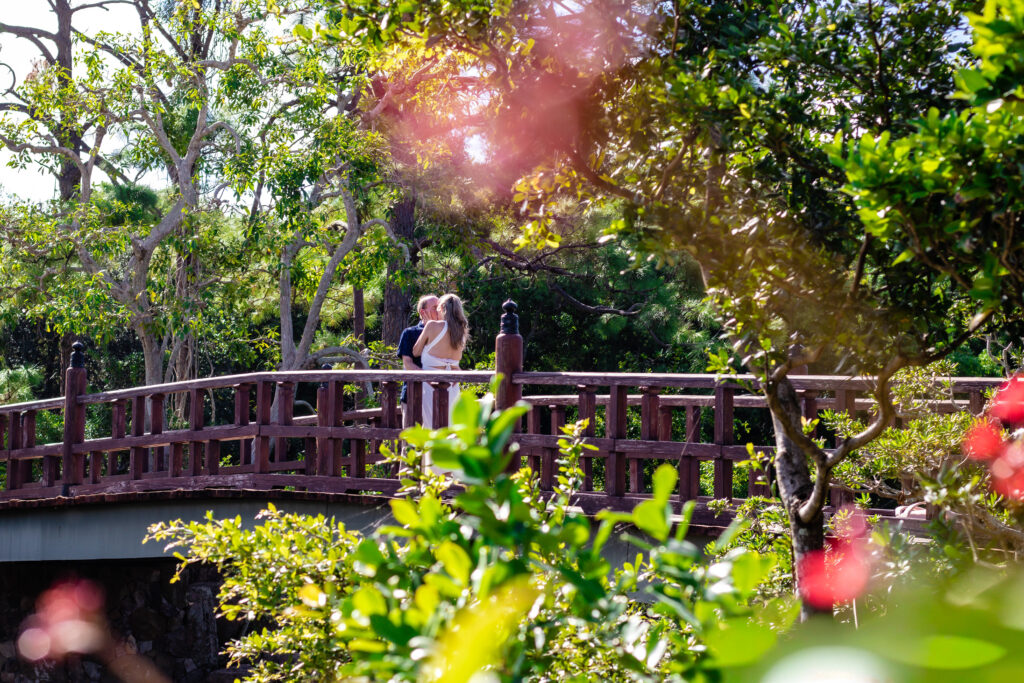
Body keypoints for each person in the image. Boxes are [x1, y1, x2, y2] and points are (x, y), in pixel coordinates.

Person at [413, 293, 469, 429]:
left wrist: (426, 329)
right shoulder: (462, 331)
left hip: (431, 384)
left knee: (431, 427)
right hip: (453, 385)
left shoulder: (432, 326)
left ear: (442, 308)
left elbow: (416, 352)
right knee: (452, 426)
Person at [398, 294, 440, 429]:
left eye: (440, 307)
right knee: (410, 443)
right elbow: (407, 364)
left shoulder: (444, 332)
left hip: (438, 394)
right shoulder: (409, 333)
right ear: (423, 312)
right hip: (413, 394)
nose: (438, 311)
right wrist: (429, 379)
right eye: (434, 307)